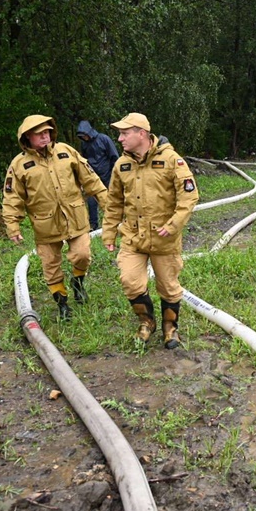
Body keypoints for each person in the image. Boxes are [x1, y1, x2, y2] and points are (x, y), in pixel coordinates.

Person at [101, 113, 199, 349]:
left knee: (168, 287)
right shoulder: (121, 165)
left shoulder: (171, 159)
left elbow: (189, 195)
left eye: (125, 133)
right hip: (133, 238)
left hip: (164, 238)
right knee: (130, 281)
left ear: (141, 134)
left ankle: (170, 327)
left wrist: (173, 224)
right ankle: (147, 321)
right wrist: (108, 232)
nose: (120, 138)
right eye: (120, 133)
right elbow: (113, 201)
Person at [2, 115, 110, 321]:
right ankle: (62, 304)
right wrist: (13, 225)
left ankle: (78, 282)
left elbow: (91, 180)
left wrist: (107, 205)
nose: (45, 136)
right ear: (27, 137)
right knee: (51, 266)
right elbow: (12, 197)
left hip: (75, 218)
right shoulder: (19, 165)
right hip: (46, 225)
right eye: (39, 134)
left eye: (47, 132)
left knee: (83, 255)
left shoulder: (66, 152)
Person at [76, 120, 119, 231]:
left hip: (108, 176)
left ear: (89, 132)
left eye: (85, 135)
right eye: (82, 136)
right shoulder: (84, 144)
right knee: (91, 202)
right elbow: (84, 160)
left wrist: (115, 174)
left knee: (111, 201)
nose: (84, 138)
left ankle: (115, 222)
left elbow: (114, 157)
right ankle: (93, 225)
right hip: (93, 178)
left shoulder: (104, 139)